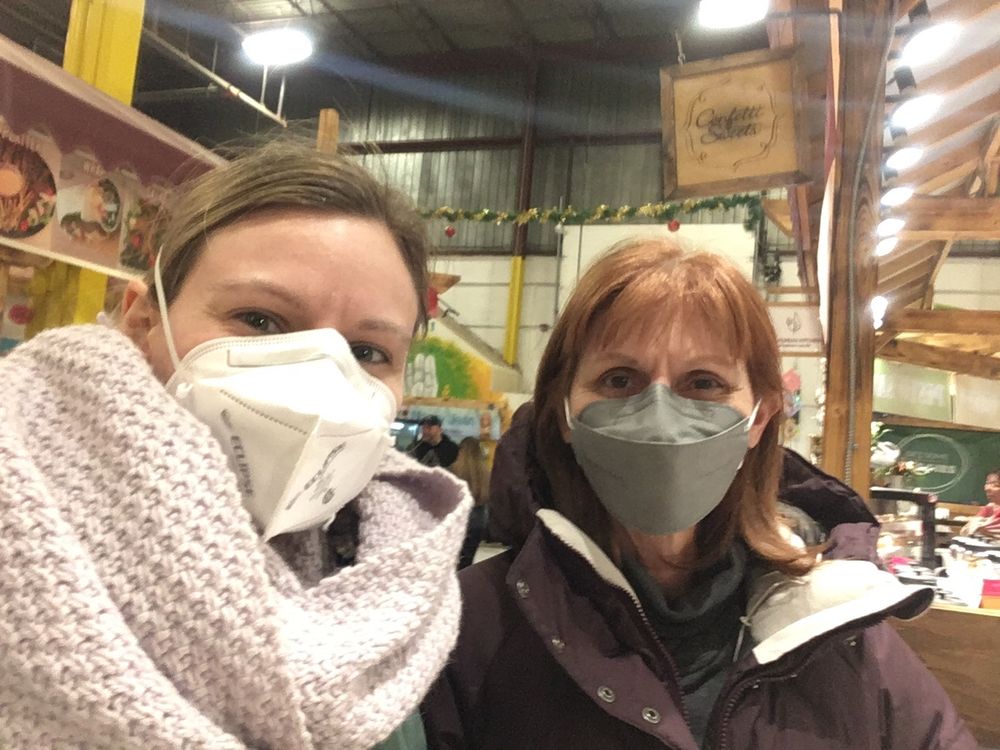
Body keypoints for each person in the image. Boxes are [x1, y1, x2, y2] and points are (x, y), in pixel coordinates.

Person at [0, 140, 472, 749]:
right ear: (143, 321)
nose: (318, 380)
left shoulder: (402, 591)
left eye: (367, 351)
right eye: (260, 319)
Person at [421, 238, 975, 749]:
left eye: (703, 383)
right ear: (564, 413)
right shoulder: (470, 631)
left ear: (760, 417)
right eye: (619, 379)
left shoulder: (838, 628)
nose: (660, 417)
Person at [449, 437, 491, 569]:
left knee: (453, 561)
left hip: (459, 518)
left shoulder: (454, 470)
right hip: (479, 518)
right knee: (467, 560)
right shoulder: (486, 472)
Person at [959, 468, 1000, 538]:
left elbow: (975, 529)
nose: (987, 488)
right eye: (987, 483)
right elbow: (966, 530)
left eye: (996, 485)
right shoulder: (990, 507)